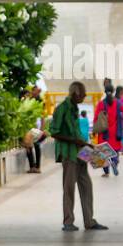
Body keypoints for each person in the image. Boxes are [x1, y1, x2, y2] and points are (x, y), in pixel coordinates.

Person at [51, 81, 108, 231]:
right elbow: (54, 132)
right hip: (69, 154)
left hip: (80, 151)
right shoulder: (62, 109)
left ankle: (89, 221)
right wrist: (74, 141)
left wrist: (85, 144)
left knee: (87, 186)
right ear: (75, 93)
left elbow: (75, 132)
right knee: (69, 188)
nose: (84, 96)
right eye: (82, 94)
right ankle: (68, 222)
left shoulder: (75, 108)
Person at [93, 84, 123, 176]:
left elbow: (96, 117)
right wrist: (119, 117)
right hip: (116, 132)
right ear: (113, 91)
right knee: (115, 150)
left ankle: (106, 172)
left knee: (103, 152)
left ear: (105, 91)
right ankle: (115, 163)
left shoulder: (101, 103)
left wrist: (94, 131)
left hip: (104, 132)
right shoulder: (118, 102)